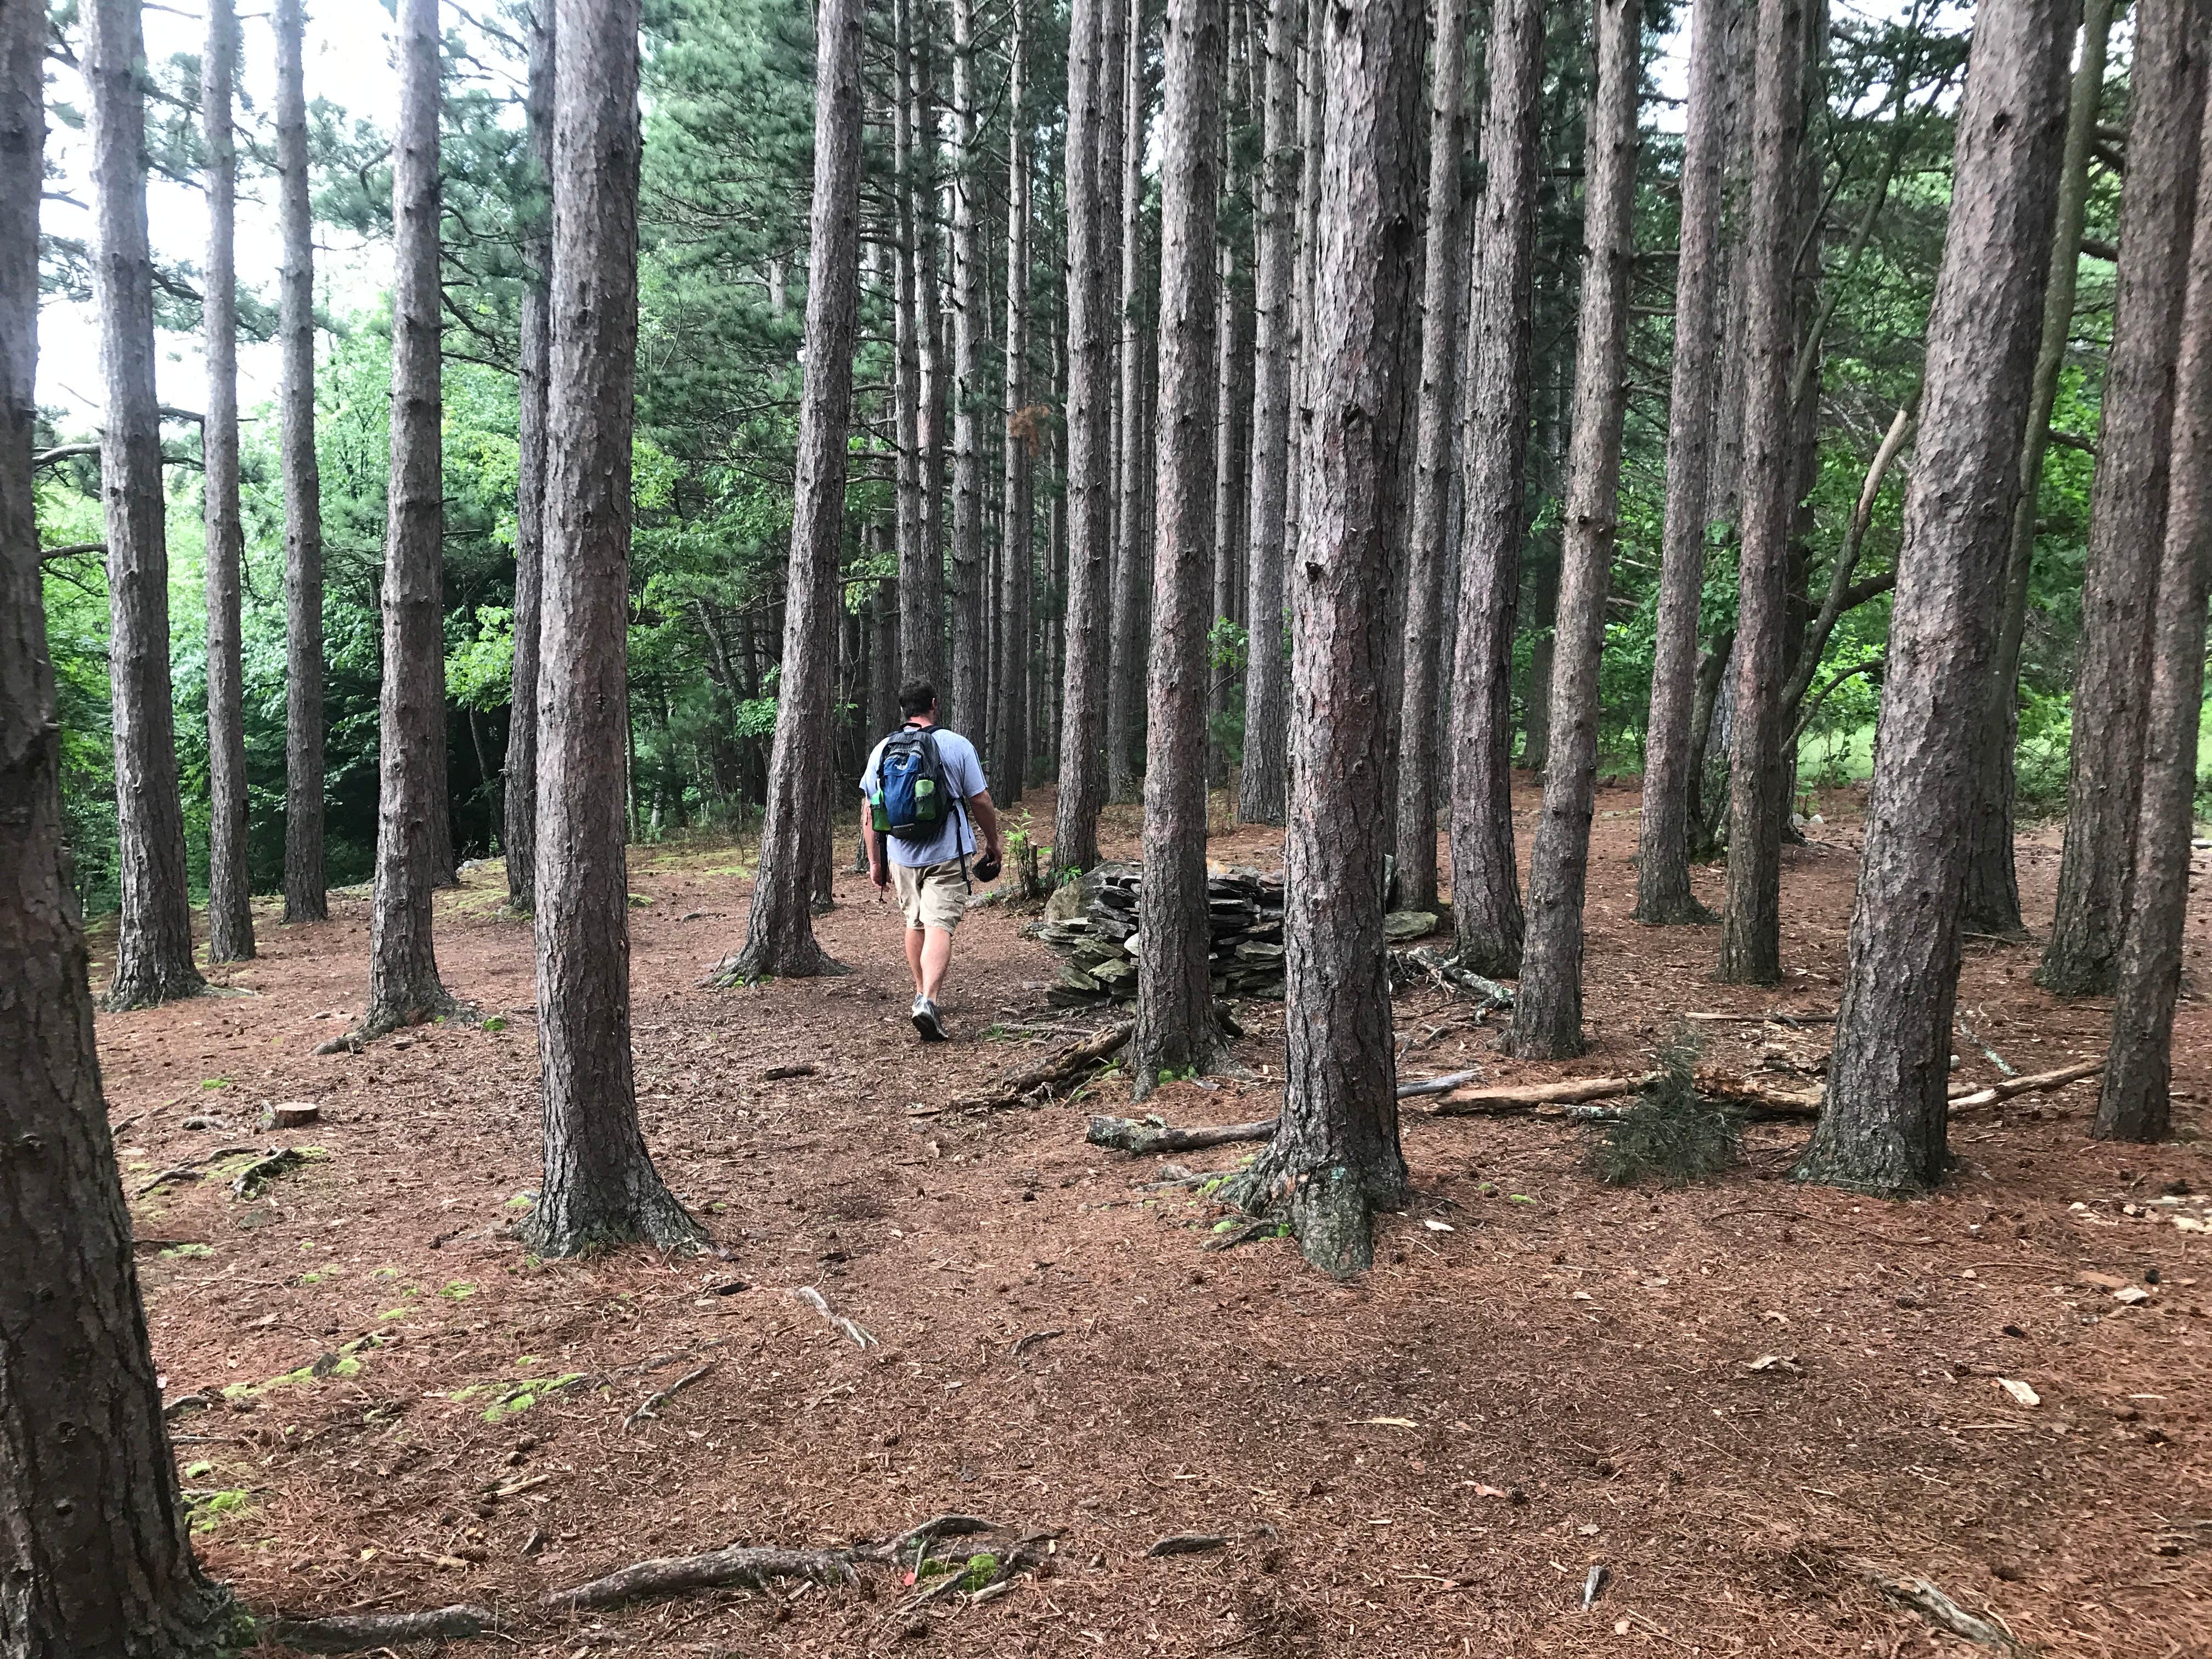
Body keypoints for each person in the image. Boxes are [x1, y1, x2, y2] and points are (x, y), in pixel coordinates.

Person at [861, 681, 1004, 1041]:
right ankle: (929, 1000)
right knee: (940, 924)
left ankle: (920, 993)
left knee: (916, 922)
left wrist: (875, 861)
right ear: (934, 705)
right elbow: (981, 800)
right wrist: (993, 843)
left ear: (904, 709)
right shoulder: (956, 745)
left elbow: (868, 809)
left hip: (901, 854)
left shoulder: (882, 749)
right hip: (947, 852)